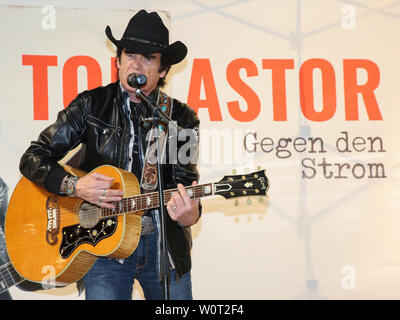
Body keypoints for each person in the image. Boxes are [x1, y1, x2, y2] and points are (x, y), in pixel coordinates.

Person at [19, 9, 201, 300]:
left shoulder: (181, 119)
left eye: (149, 58)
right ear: (118, 60)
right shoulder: (90, 105)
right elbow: (33, 158)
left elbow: (186, 185)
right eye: (130, 54)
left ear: (163, 70)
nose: (137, 64)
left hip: (162, 248)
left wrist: (190, 215)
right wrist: (74, 185)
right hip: (102, 245)